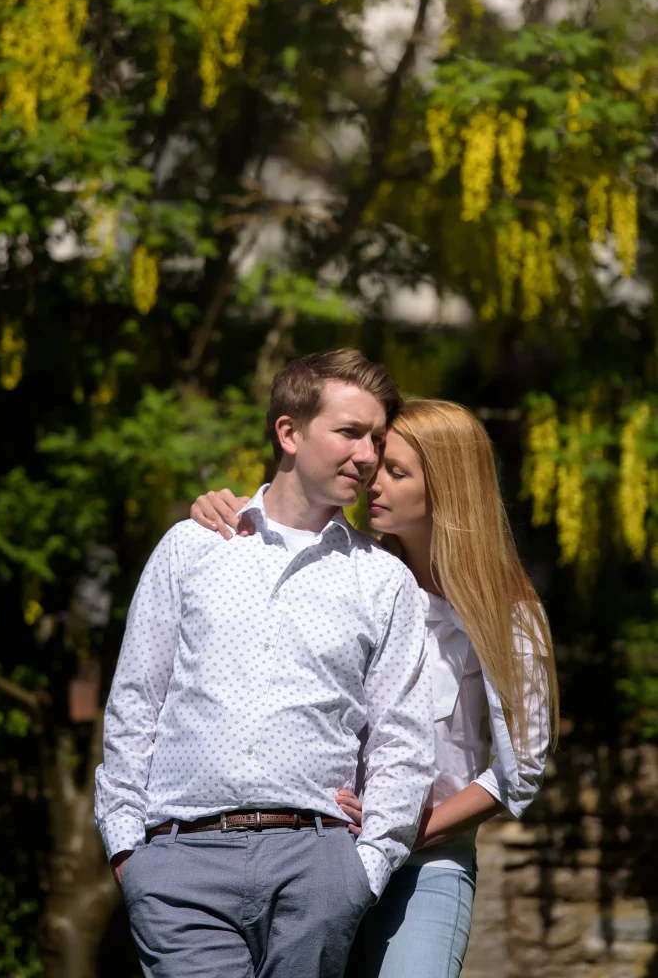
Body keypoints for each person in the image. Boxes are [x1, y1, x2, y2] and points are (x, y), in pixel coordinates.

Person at [191, 396, 559, 978]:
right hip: (314, 858)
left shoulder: (507, 614)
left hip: (426, 867)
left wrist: (403, 833)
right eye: (374, 465)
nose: (371, 482)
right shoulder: (351, 575)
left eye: (396, 471)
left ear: (447, 486)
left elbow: (521, 772)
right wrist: (221, 509)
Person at [95, 349, 435, 978]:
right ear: (289, 432)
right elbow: (135, 702)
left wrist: (365, 868)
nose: (368, 456)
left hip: (320, 868)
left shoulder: (384, 580)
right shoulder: (193, 545)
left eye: (377, 439)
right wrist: (126, 850)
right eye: (349, 433)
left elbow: (403, 741)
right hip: (179, 863)